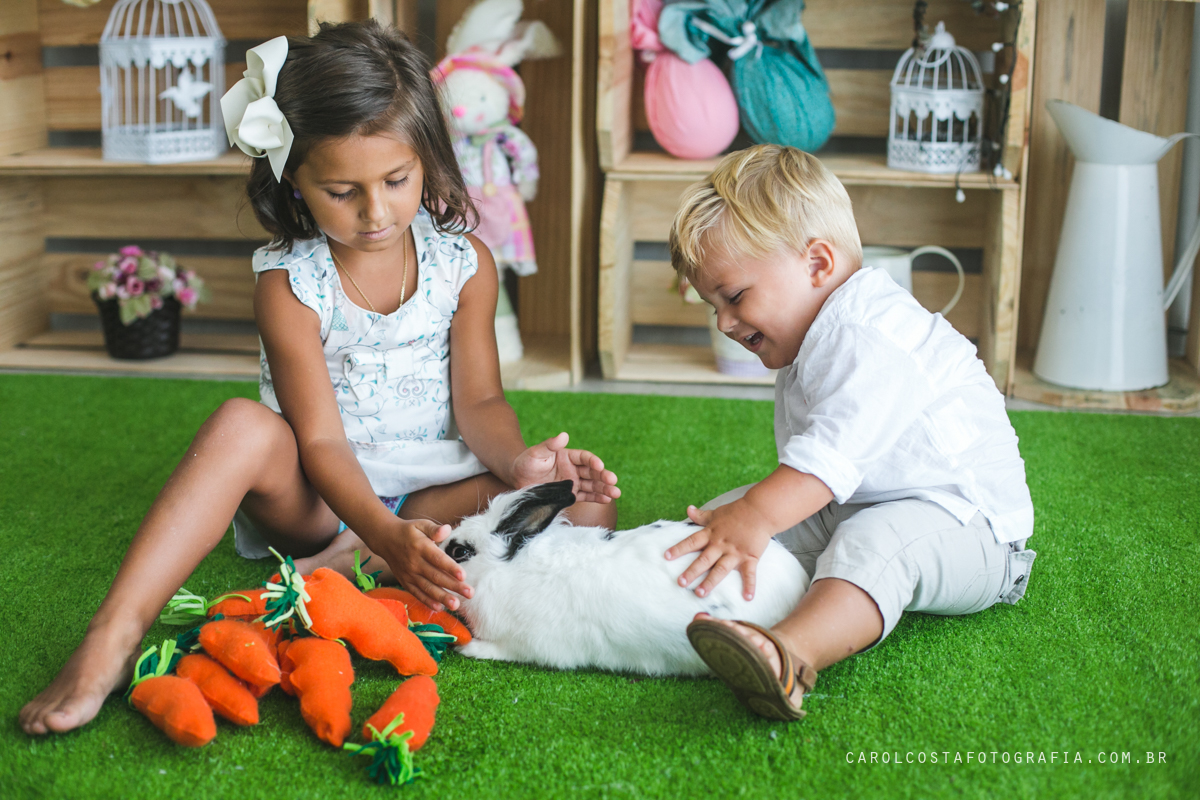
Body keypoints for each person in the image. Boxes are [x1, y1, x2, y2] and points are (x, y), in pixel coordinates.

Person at [20, 20, 618, 736]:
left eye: (397, 181)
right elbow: (323, 442)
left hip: (432, 487)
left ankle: (363, 561)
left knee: (584, 507)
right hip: (316, 497)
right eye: (342, 191)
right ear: (295, 183)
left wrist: (518, 464)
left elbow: (481, 400)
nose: (376, 213)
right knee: (240, 423)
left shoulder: (466, 266)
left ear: (426, 159)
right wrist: (387, 531)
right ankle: (113, 634)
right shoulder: (290, 283)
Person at [667, 144, 1035, 721]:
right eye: (713, 305)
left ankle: (790, 655)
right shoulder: (816, 333)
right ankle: (673, 593)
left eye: (735, 296)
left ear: (817, 263)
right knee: (718, 522)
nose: (725, 322)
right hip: (863, 499)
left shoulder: (869, 332)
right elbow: (817, 481)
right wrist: (744, 518)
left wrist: (760, 517)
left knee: (872, 545)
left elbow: (829, 457)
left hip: (971, 528)